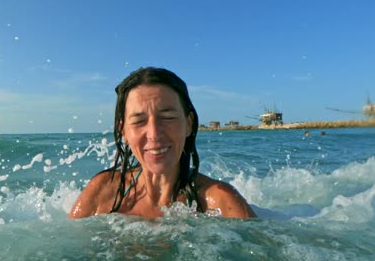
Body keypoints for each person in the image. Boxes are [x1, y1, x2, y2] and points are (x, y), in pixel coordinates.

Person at [68, 67, 256, 219]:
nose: (154, 134)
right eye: (139, 121)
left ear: (188, 124)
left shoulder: (220, 201)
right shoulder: (104, 191)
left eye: (168, 117)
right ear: (123, 132)